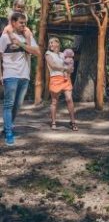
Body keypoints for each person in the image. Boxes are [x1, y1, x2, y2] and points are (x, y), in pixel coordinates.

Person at [0, 12, 40, 145]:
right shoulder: (5, 38)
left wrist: (21, 44)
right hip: (10, 74)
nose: (24, 25)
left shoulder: (27, 36)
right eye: (21, 23)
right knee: (8, 104)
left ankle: (8, 126)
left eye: (25, 23)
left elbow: (37, 52)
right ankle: (9, 133)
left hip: (24, 76)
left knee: (17, 105)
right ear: (13, 23)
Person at [45, 37, 78, 131]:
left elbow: (69, 65)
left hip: (66, 78)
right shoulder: (48, 54)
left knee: (69, 99)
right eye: (49, 43)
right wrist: (65, 69)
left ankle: (73, 121)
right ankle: (53, 122)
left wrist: (70, 69)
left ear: (58, 43)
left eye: (52, 42)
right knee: (54, 101)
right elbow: (53, 66)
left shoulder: (63, 54)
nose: (50, 44)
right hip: (55, 79)